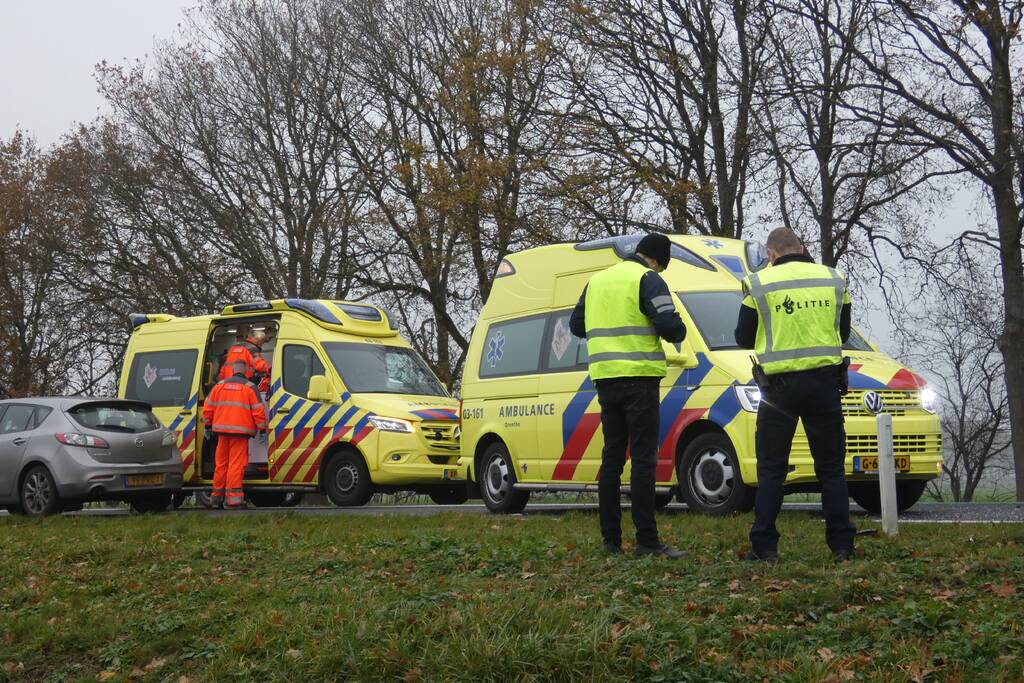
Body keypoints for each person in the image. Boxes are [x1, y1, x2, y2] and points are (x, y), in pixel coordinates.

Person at [734, 227, 857, 563]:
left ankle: (766, 547)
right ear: (801, 248)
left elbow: (743, 336)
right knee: (831, 469)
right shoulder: (833, 279)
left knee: (772, 469)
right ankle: (842, 547)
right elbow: (842, 332)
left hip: (779, 390)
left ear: (771, 254)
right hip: (825, 384)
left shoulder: (758, 283)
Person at [570, 233, 688, 559]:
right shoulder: (647, 279)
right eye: (663, 267)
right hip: (640, 379)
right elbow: (671, 327)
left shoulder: (597, 281)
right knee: (643, 460)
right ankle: (647, 541)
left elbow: (576, 325)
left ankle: (610, 541)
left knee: (611, 459)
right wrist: (674, 327)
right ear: (658, 260)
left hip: (606, 379)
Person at [203, 360, 268, 509]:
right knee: (235, 465)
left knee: (221, 465)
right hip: (240, 433)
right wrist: (262, 429)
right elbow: (258, 411)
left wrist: (207, 425)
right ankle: (233, 500)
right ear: (245, 371)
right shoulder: (250, 387)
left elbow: (208, 408)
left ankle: (216, 498)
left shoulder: (219, 386)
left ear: (232, 370)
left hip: (221, 433)